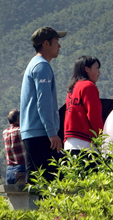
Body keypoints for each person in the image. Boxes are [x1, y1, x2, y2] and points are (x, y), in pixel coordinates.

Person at [20, 26, 66, 181]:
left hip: (30, 132)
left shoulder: (33, 64)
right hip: (41, 133)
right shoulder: (42, 66)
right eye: (56, 42)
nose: (59, 46)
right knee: (51, 181)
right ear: (46, 44)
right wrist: (52, 133)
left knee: (34, 182)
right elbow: (44, 102)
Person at [63, 56, 104, 152]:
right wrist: (101, 139)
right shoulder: (88, 86)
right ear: (87, 69)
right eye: (97, 68)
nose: (99, 72)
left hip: (69, 143)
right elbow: (94, 116)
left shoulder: (72, 88)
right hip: (85, 143)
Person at [2, 109, 26, 185]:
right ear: (19, 118)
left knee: (11, 195)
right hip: (21, 168)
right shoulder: (21, 131)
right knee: (24, 195)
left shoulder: (4, 132)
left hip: (9, 169)